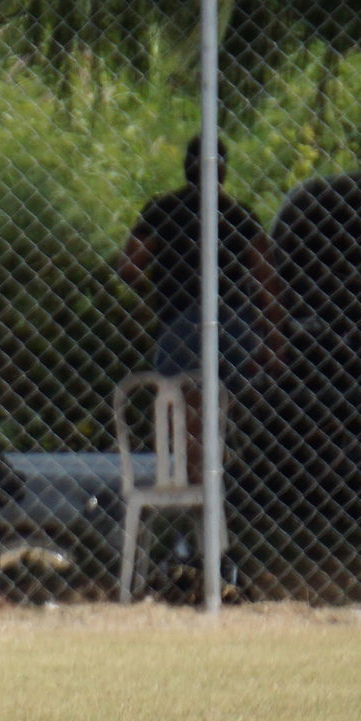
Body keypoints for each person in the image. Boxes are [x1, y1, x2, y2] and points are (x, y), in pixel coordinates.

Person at [117, 134, 286, 479]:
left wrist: (156, 289)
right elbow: (267, 283)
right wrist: (274, 337)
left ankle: (193, 480)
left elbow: (130, 266)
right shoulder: (238, 215)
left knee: (183, 407)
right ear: (222, 171)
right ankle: (214, 478)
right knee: (223, 406)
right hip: (232, 321)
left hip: (179, 319)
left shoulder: (162, 210)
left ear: (186, 169)